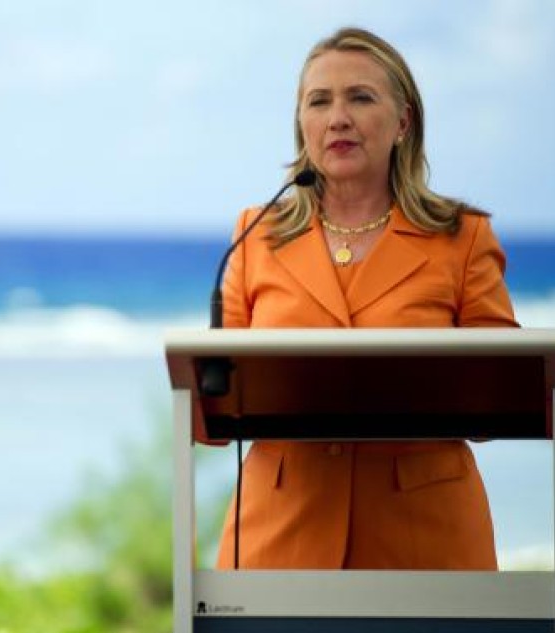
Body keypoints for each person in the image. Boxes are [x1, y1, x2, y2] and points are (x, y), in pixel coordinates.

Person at [215, 27, 518, 570]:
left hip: (425, 541)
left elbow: (500, 402)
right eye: (319, 101)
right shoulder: (254, 233)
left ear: (403, 122)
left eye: (360, 97)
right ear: (302, 124)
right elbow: (214, 408)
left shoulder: (464, 236)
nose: (338, 118)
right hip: (281, 538)